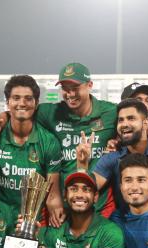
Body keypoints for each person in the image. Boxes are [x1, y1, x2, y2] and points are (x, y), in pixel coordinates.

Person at [34, 62, 118, 218]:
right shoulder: (51, 113)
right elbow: (22, 111)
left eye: (75, 88)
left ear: (89, 85)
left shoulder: (111, 112)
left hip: (100, 209)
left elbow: (136, 122)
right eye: (65, 89)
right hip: (64, 210)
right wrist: (2, 117)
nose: (70, 94)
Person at [89, 99, 148, 216]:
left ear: (145, 123)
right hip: (124, 227)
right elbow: (87, 186)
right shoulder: (113, 156)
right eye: (121, 120)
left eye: (131, 118)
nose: (124, 124)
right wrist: (82, 164)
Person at [0, 75, 63, 218]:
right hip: (0, 219)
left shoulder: (48, 141)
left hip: (34, 222)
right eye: (16, 98)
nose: (22, 103)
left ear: (36, 103)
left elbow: (53, 196)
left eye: (28, 98)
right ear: (8, 102)